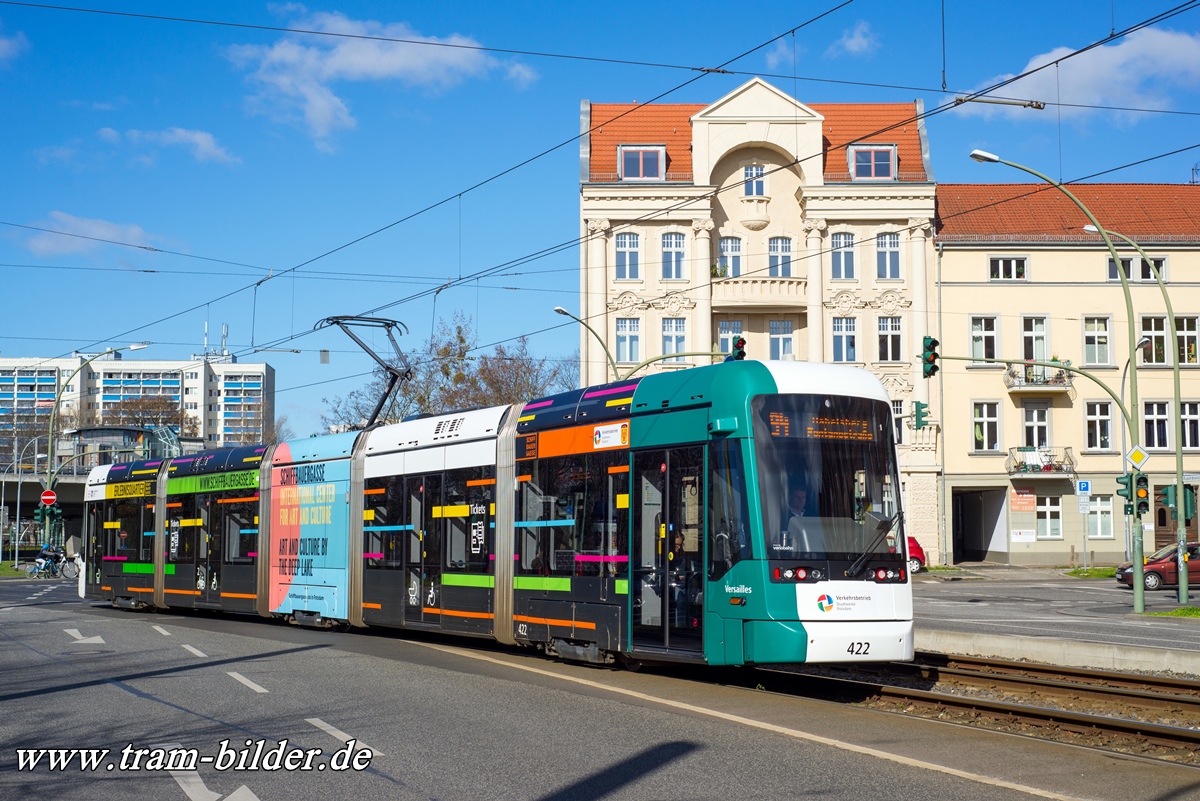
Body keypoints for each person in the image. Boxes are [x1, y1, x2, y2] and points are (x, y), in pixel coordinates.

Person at [787, 486, 825, 555]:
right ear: (791, 498)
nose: (801, 500)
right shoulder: (785, 516)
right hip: (791, 554)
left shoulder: (811, 516)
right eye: (797, 497)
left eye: (803, 497)